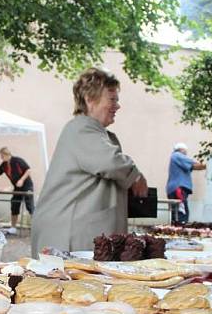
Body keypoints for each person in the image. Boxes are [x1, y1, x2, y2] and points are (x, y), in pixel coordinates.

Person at [30, 67, 147, 256]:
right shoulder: (81, 129)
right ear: (89, 99)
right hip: (67, 234)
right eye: (112, 99)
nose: (117, 106)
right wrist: (136, 177)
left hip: (74, 231)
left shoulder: (95, 132)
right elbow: (110, 162)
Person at [0, 147, 34, 235]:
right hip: (17, 188)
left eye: (2, 156)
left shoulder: (18, 160)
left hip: (26, 186)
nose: (1, 158)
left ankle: (35, 227)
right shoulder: (4, 165)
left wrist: (22, 180)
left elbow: (28, 170)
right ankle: (13, 228)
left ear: (7, 154)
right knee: (14, 205)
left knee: (30, 207)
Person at [165, 142, 206, 224]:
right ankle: (181, 228)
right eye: (185, 151)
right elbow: (193, 165)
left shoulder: (174, 157)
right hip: (178, 188)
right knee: (182, 212)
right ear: (181, 150)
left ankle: (175, 227)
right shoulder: (177, 155)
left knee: (176, 212)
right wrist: (207, 165)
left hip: (174, 188)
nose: (186, 153)